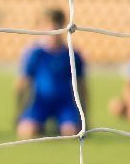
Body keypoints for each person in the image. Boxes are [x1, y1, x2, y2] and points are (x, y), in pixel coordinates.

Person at [13, 8, 87, 139]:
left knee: (71, 132)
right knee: (27, 131)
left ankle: (60, 126)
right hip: (40, 102)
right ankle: (40, 126)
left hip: (64, 103)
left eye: (56, 28)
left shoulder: (72, 55)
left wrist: (85, 115)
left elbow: (81, 85)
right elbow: (23, 83)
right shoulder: (35, 54)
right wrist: (19, 112)